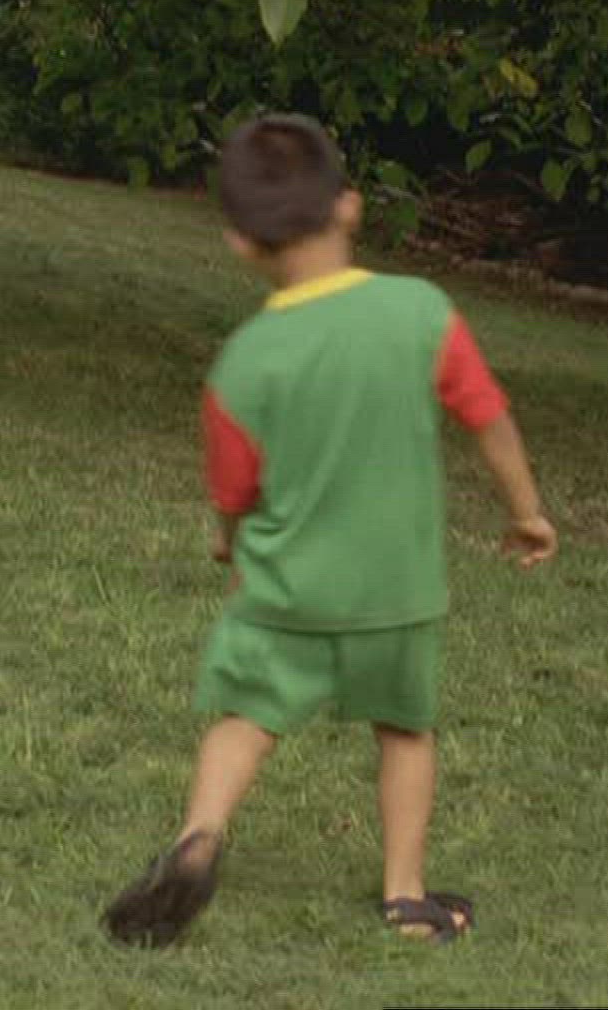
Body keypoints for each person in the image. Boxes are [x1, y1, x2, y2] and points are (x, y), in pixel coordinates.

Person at [102, 113, 557, 948]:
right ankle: (405, 896)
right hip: (396, 593)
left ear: (241, 242)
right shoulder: (420, 311)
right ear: (350, 206)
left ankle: (198, 838)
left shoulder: (244, 361)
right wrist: (525, 512)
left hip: (287, 592)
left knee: (245, 717)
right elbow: (487, 417)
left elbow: (234, 492)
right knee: (406, 731)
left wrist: (229, 542)